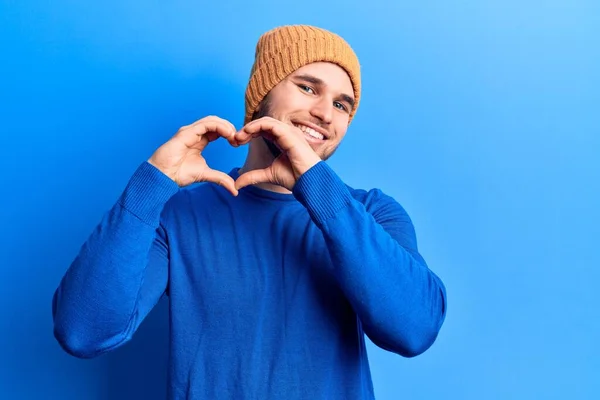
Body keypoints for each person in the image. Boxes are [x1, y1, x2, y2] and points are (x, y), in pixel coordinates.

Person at [52, 24, 447, 399]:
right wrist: (152, 183)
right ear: (261, 96)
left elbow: (413, 329)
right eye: (308, 88)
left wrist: (319, 189)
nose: (326, 113)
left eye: (342, 104)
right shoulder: (181, 215)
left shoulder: (372, 213)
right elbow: (84, 331)